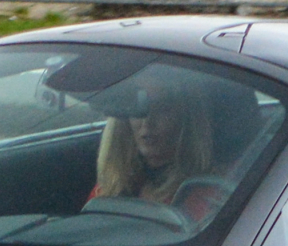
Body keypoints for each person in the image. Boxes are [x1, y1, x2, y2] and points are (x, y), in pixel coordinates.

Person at [92, 81, 222, 221]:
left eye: (162, 110)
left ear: (186, 120)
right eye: (138, 109)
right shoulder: (114, 184)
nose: (147, 122)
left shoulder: (203, 193)